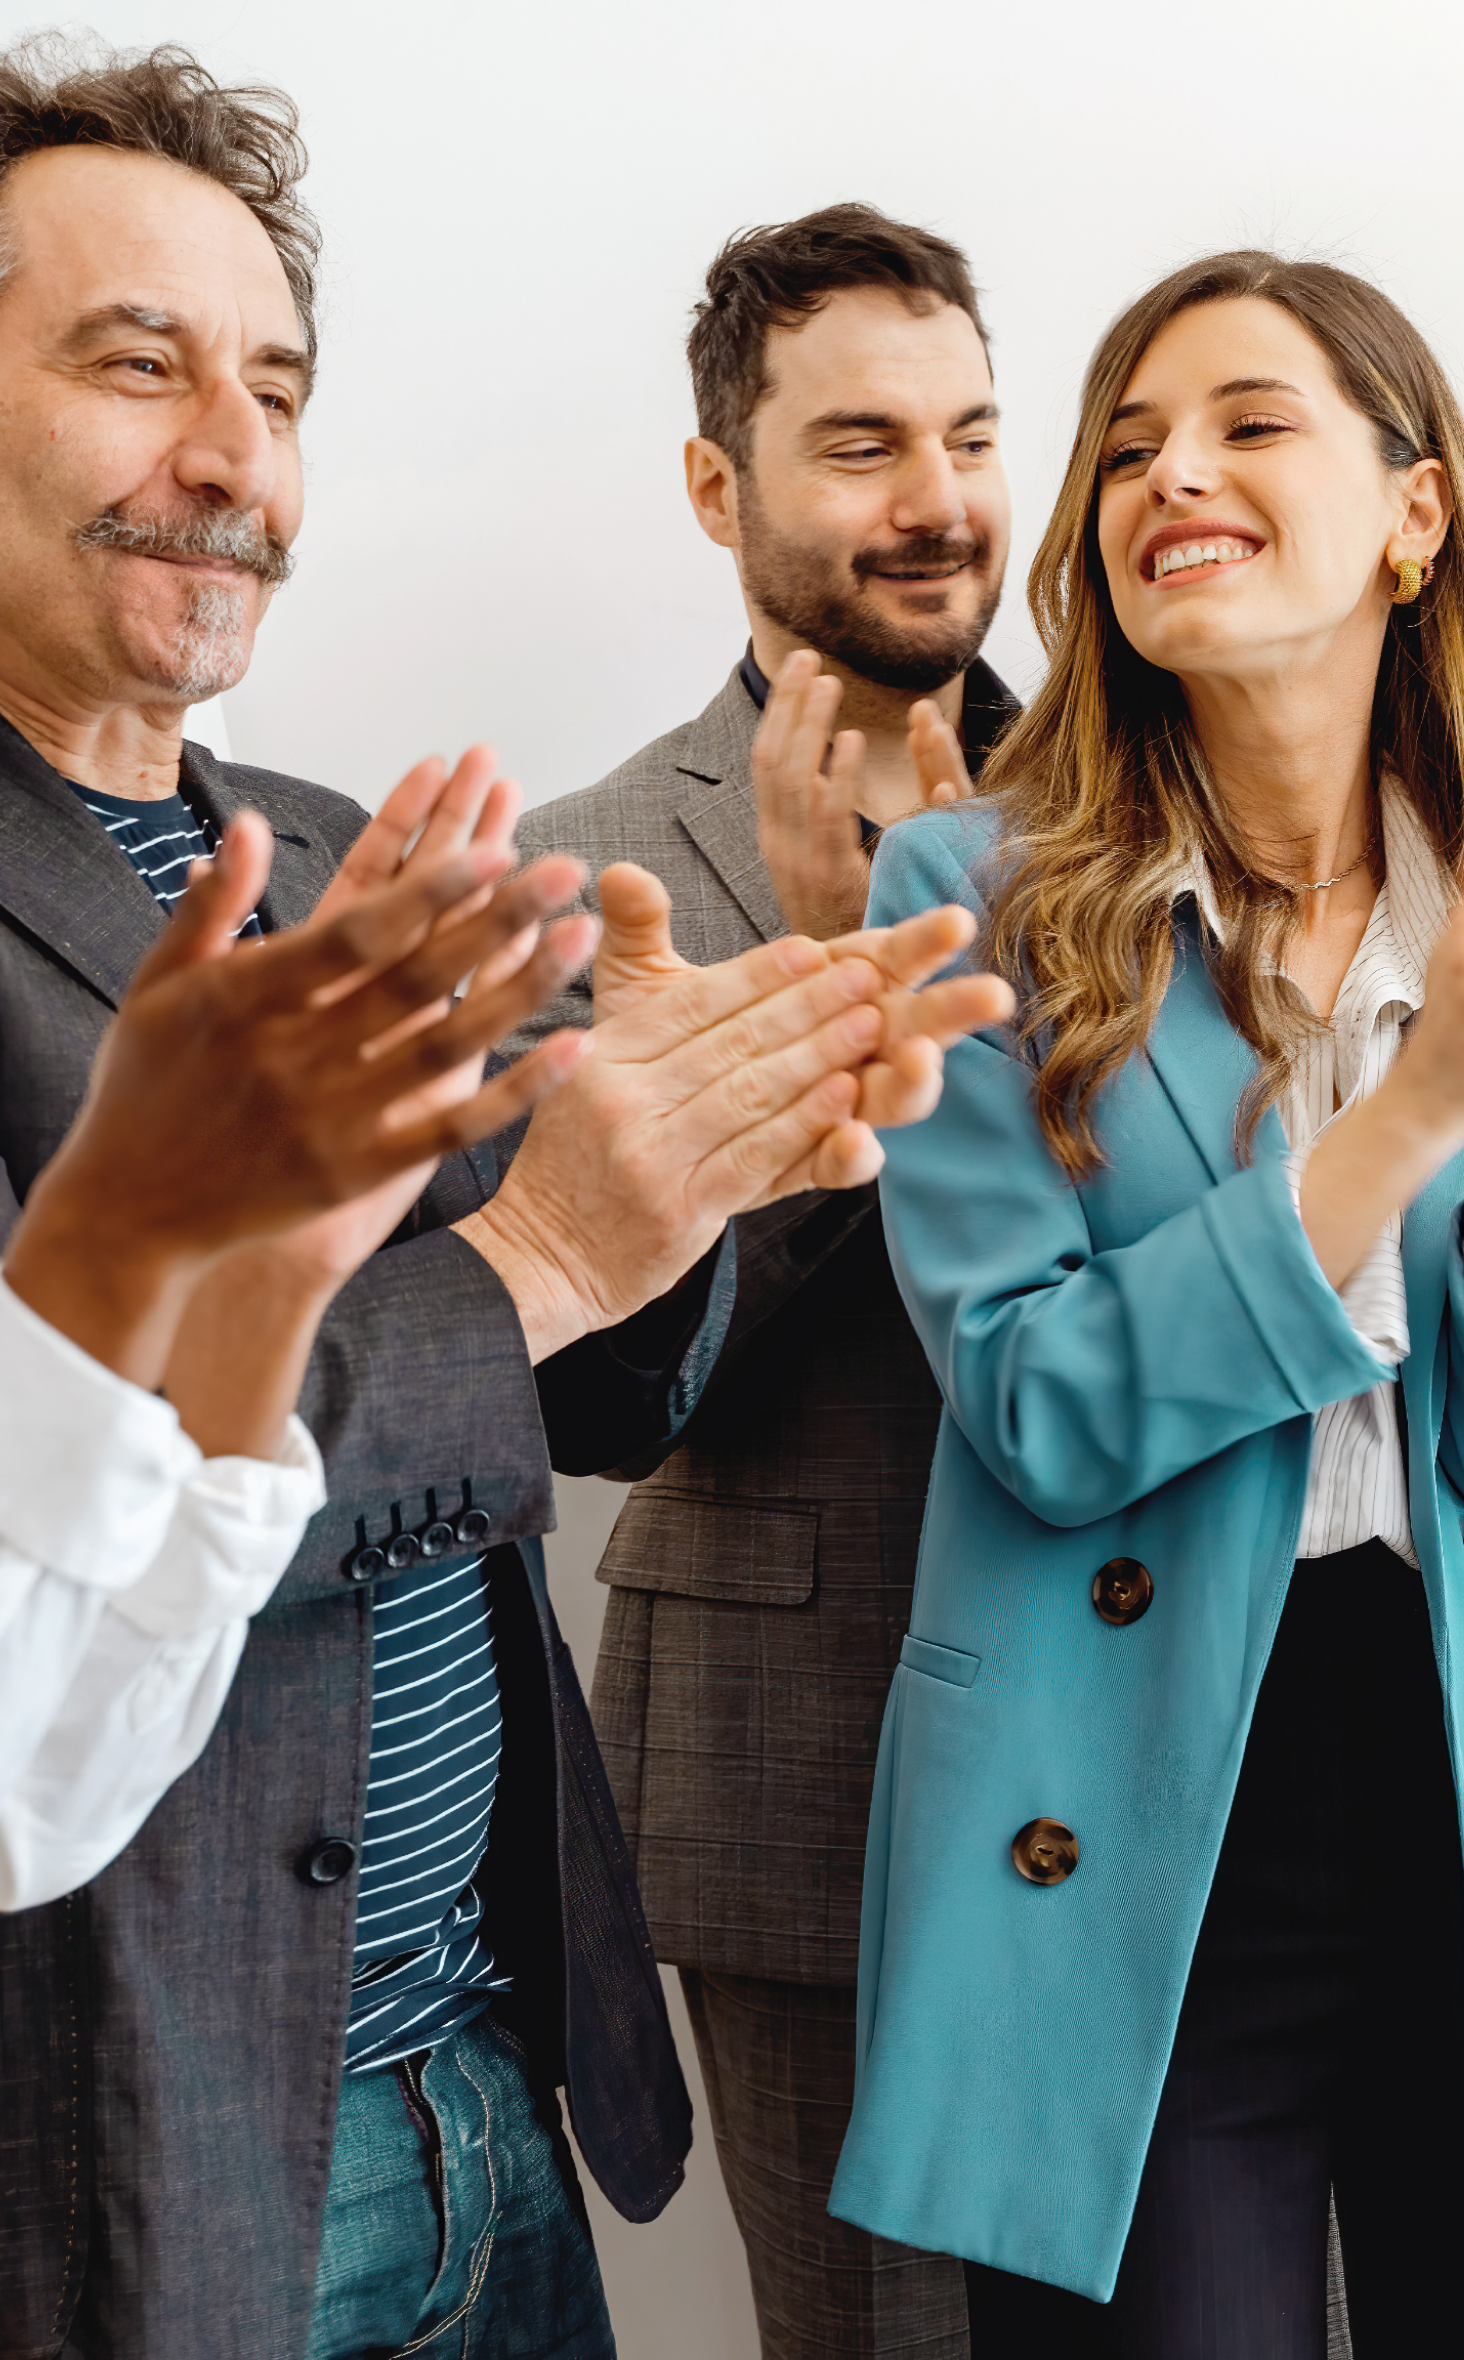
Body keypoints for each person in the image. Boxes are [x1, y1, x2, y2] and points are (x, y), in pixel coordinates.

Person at [0, 47, 1009, 2360]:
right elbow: (88, 1480)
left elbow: (570, 1391)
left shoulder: (336, 848)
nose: (232, 452)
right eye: (134, 364)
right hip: (179, 2128)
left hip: (483, 2081)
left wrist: (704, 1150)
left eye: (275, 382)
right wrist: (539, 1250)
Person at [829, 246, 1464, 2359]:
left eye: (1247, 421)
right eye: (1123, 446)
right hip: (1154, 1802)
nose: (1164, 472)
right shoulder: (968, 895)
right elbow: (1037, 1406)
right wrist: (1404, 1120)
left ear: (1417, 511)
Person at [511, 203, 1014, 2360]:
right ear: (717, 487)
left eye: (976, 435)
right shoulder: (581, 858)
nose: (938, 506)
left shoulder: (1145, 799)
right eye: (863, 445)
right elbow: (595, 1379)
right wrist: (831, 1027)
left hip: (1202, 1729)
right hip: (800, 1746)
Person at [0, 807, 595, 1909]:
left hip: (489, 1963)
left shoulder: (325, 836)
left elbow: (45, 1797)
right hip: (193, 2015)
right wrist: (535, 1267)